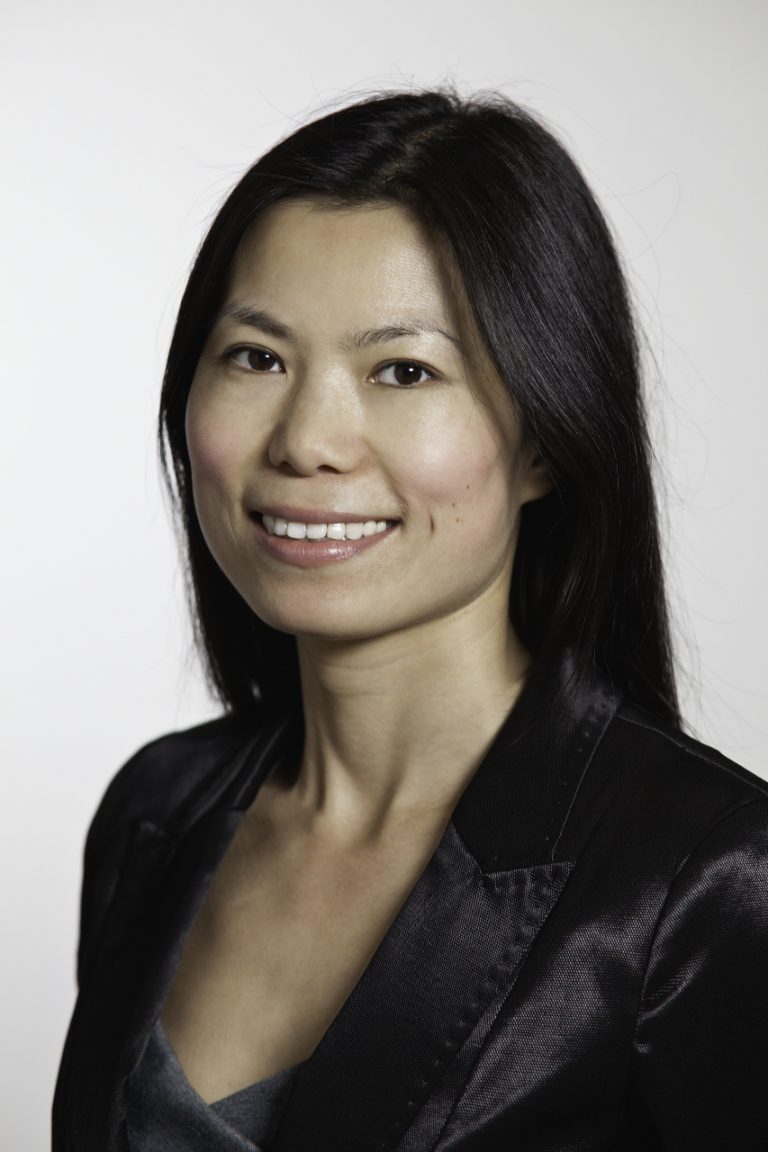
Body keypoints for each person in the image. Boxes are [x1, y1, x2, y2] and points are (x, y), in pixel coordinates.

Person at [53, 88, 768, 1151]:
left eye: (404, 370)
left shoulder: (706, 880)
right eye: (257, 357)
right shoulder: (156, 813)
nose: (308, 441)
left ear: (546, 439)